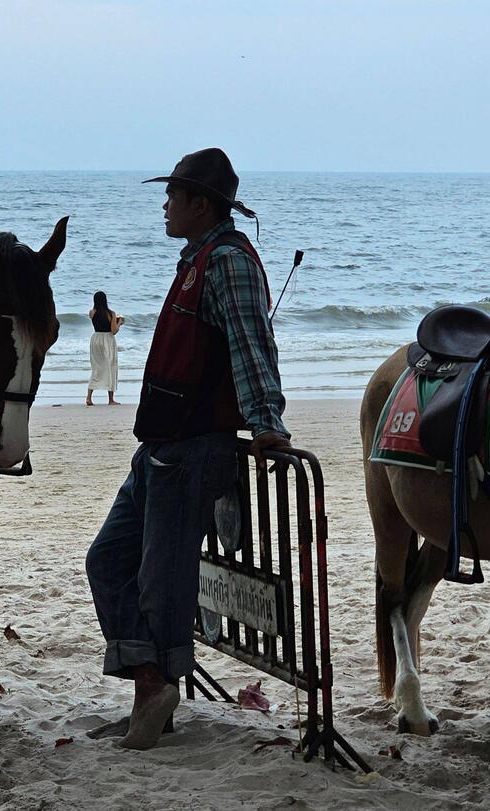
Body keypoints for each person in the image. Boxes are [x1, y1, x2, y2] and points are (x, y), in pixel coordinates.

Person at [84, 148, 291, 750]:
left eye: (174, 194)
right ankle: (153, 683)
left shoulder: (228, 262)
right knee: (109, 561)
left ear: (202, 204)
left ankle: (155, 695)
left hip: (194, 449)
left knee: (163, 582)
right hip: (160, 447)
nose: (165, 204)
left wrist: (266, 422)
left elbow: (253, 345)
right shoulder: (198, 258)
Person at [87, 291, 124, 406]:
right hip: (107, 340)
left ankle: (89, 397)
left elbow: (98, 322)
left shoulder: (92, 312)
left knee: (96, 368)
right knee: (110, 367)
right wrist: (119, 323)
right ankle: (111, 399)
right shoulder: (111, 313)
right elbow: (113, 331)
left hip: (95, 339)